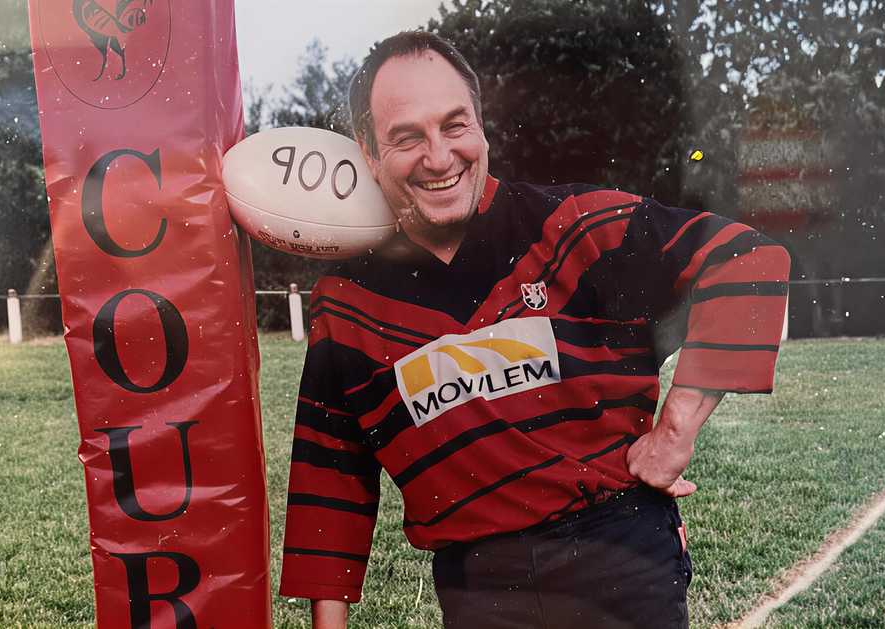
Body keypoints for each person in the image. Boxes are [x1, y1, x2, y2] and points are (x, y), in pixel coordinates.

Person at [278, 31, 790, 629]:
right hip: (477, 588)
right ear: (368, 152)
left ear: (482, 127)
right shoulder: (347, 303)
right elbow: (331, 476)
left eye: (455, 126)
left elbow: (749, 259)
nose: (439, 157)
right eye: (407, 137)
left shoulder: (576, 228)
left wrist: (674, 435)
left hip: (619, 559)